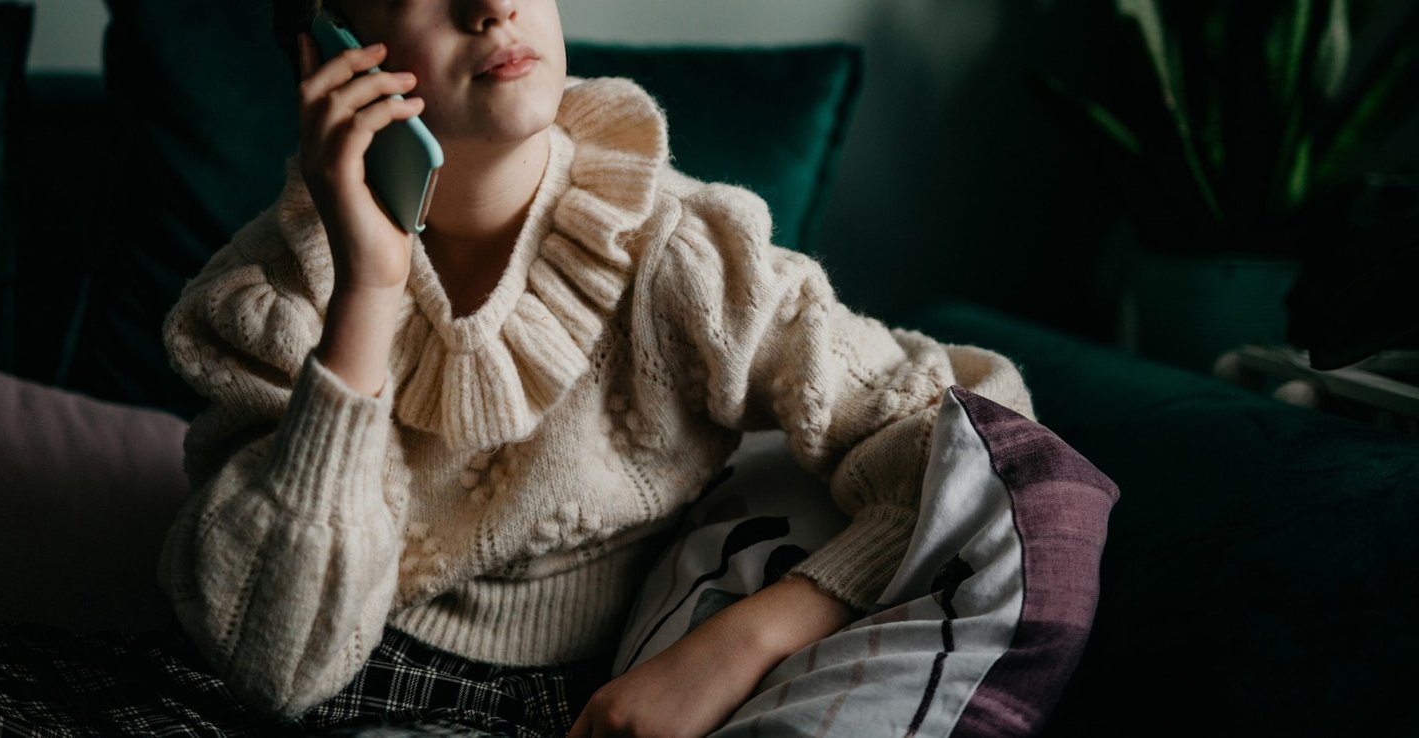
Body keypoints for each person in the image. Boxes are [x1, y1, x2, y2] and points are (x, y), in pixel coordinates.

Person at [157, 0, 1036, 735]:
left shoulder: (685, 254)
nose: (490, 5)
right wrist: (367, 290)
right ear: (328, 50)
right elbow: (277, 670)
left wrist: (748, 638)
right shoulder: (271, 295)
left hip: (540, 712)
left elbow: (974, 436)